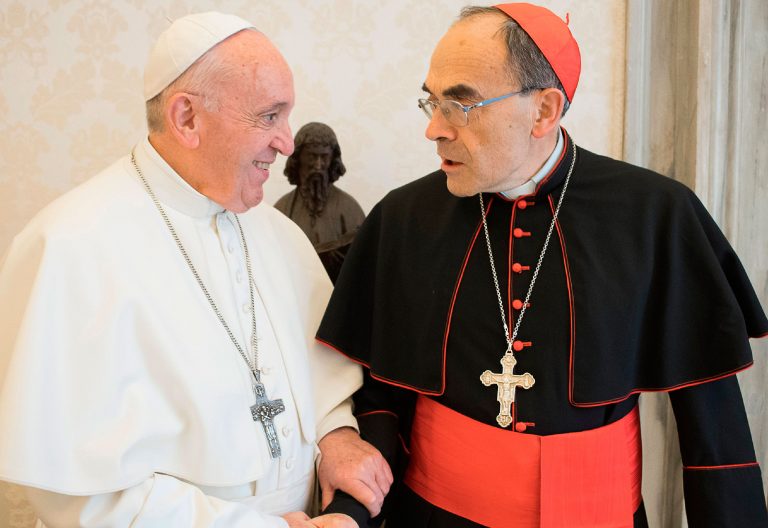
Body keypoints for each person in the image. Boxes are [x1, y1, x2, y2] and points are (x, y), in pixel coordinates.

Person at [317, 3, 768, 527]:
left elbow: (715, 435)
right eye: (431, 102)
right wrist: (353, 513)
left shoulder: (656, 216)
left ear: (544, 111)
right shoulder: (403, 218)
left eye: (460, 105)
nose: (434, 129)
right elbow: (382, 394)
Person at [0, 12, 389, 528]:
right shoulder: (70, 246)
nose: (287, 143)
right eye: (269, 116)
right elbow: (79, 496)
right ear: (186, 118)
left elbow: (324, 386)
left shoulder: (278, 235)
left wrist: (336, 437)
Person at [275, 122, 366, 283]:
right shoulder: (281, 210)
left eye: (324, 157)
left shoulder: (350, 209)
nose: (318, 166)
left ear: (332, 159)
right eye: (311, 156)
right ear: (298, 158)